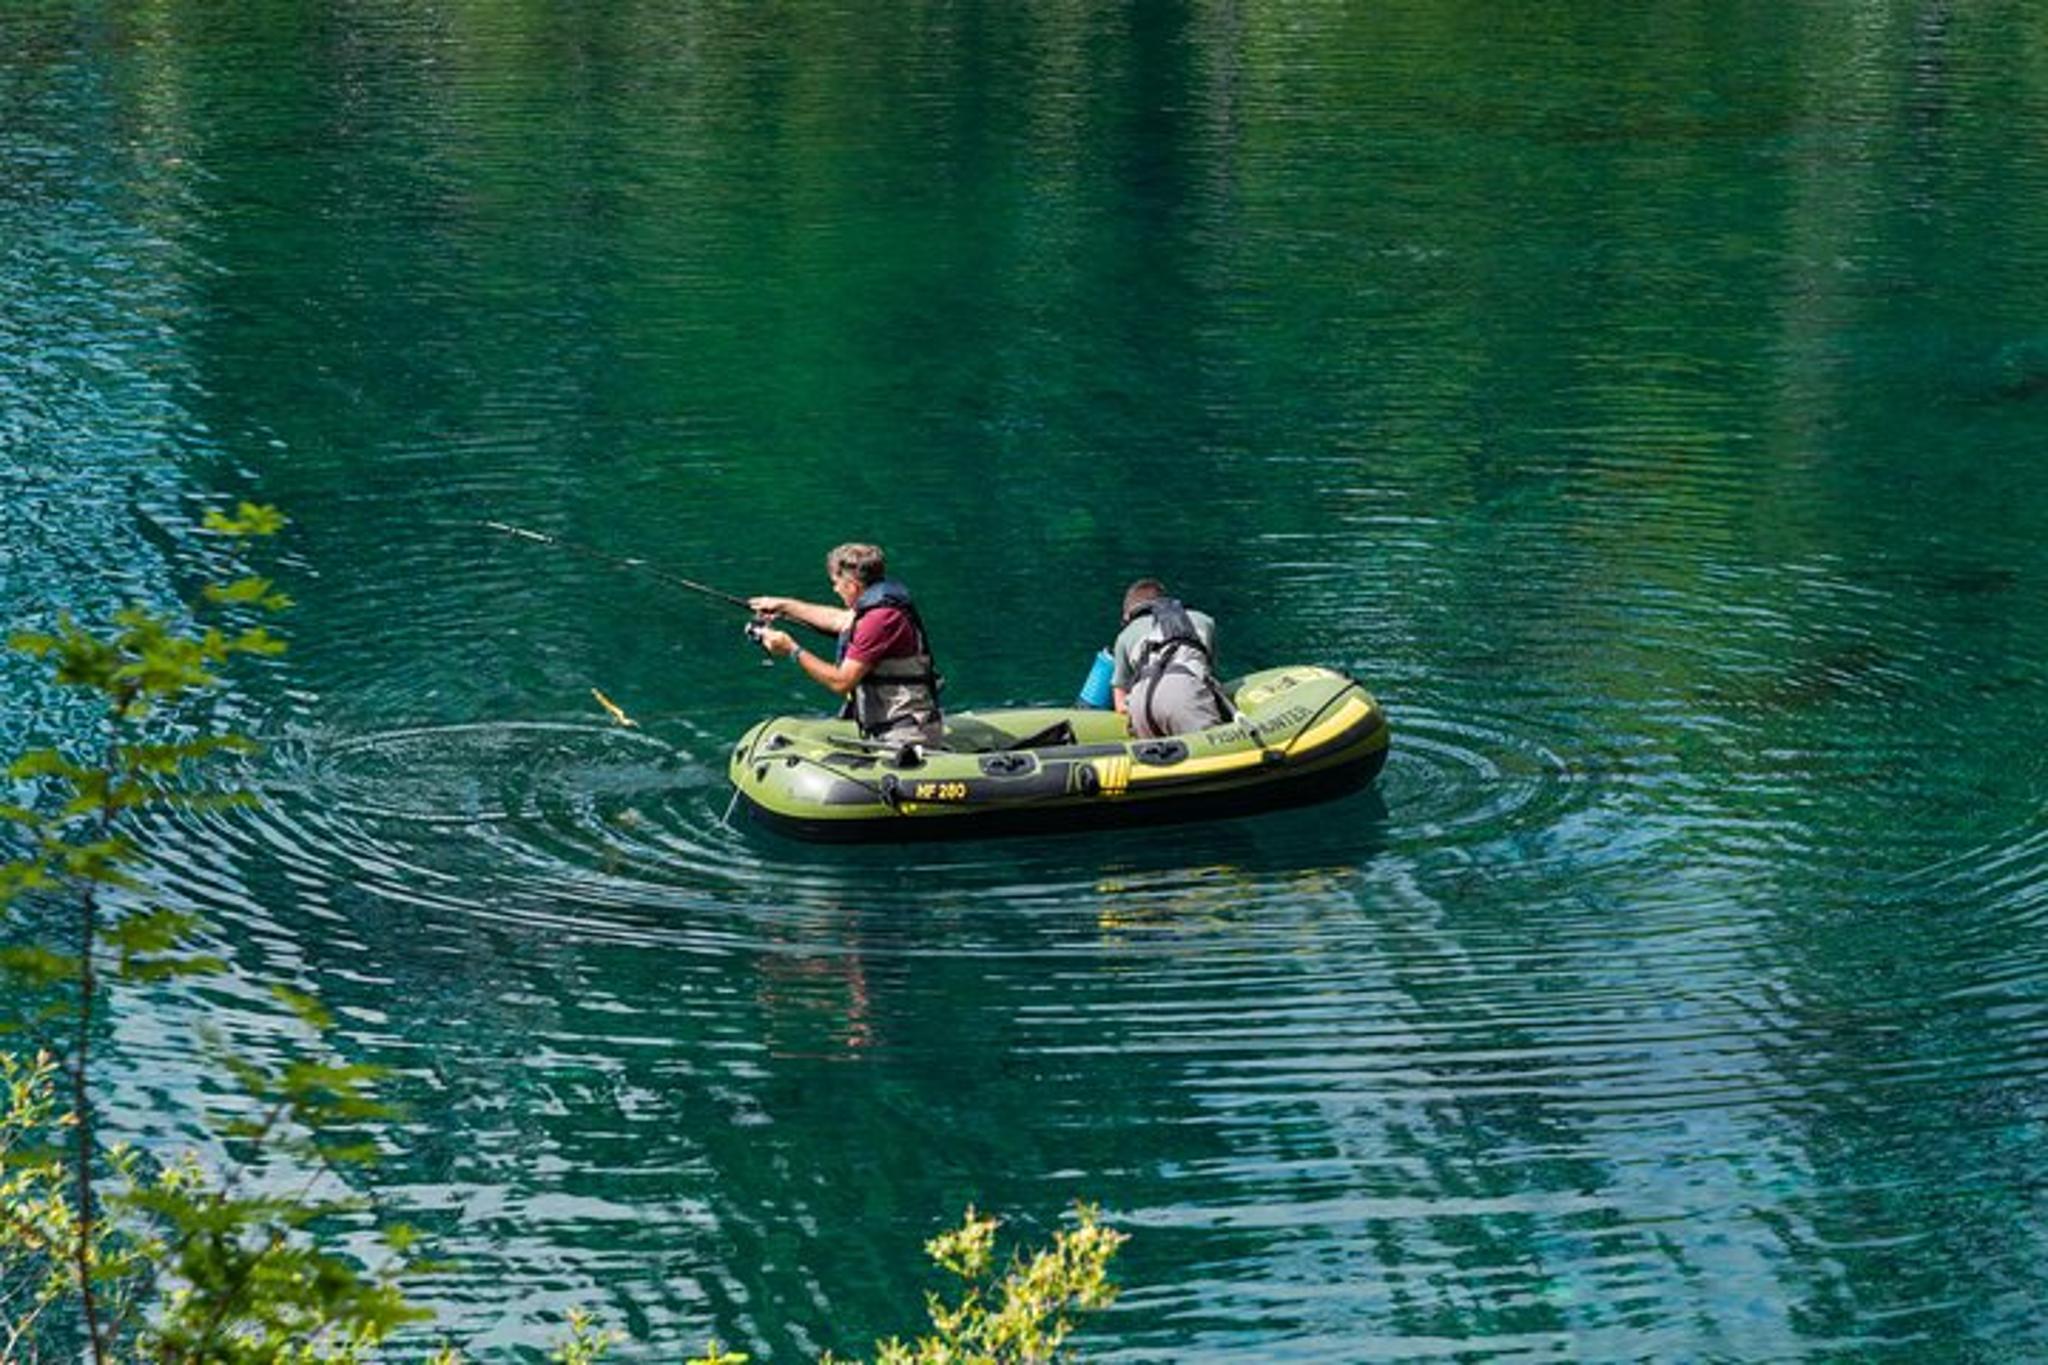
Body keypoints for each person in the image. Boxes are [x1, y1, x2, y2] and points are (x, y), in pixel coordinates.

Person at [749, 543, 943, 745]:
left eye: (836, 583)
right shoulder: (877, 603)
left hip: (905, 735)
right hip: (888, 729)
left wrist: (792, 649)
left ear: (852, 586)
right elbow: (838, 620)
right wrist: (784, 606)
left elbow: (841, 682)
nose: (834, 589)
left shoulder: (879, 620)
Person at [1111, 578, 1230, 739]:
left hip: (1141, 707)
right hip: (1184, 696)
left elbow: (1120, 705)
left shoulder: (1124, 636)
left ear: (1128, 616)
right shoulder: (1204, 620)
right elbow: (1208, 675)